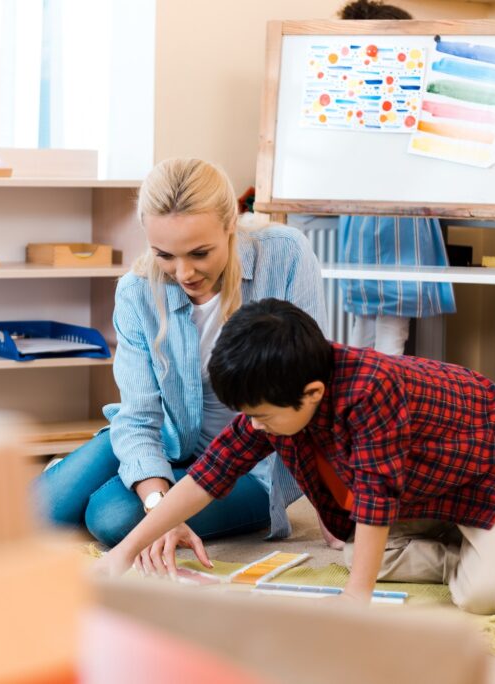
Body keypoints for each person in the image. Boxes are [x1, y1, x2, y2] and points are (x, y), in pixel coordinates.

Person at [95, 298, 495, 615]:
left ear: (312, 392)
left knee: (483, 598)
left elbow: (377, 495)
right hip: (433, 476)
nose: (253, 427)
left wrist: (356, 600)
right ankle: (477, 542)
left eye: (263, 417)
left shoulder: (369, 390)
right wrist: (123, 553)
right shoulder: (278, 391)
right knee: (351, 547)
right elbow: (209, 475)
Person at [35, 158, 328, 562]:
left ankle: (130, 485)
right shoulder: (137, 292)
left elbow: (310, 377)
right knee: (34, 514)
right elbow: (139, 416)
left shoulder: (285, 254)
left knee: (111, 517)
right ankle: (123, 472)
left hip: (247, 464)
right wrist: (160, 505)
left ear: (231, 226)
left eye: (200, 253)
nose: (183, 272)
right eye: (164, 255)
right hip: (168, 439)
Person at [338, 0, 456, 355]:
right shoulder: (375, 96)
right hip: (385, 216)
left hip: (388, 216)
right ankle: (371, 397)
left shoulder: (363, 95)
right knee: (381, 324)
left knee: (375, 323)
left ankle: (364, 396)